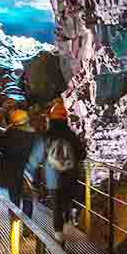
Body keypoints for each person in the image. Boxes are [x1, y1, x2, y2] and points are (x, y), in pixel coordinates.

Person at [42, 100, 85, 243]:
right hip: (70, 173)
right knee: (67, 198)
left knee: (56, 203)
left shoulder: (47, 135)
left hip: (52, 174)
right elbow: (81, 153)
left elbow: (41, 154)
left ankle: (58, 232)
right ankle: (68, 219)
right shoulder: (71, 135)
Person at [0, 108, 38, 210]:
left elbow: (0, 148)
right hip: (27, 170)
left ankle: (14, 217)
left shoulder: (8, 133)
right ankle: (27, 218)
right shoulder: (33, 134)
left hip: (11, 170)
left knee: (14, 197)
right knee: (27, 197)